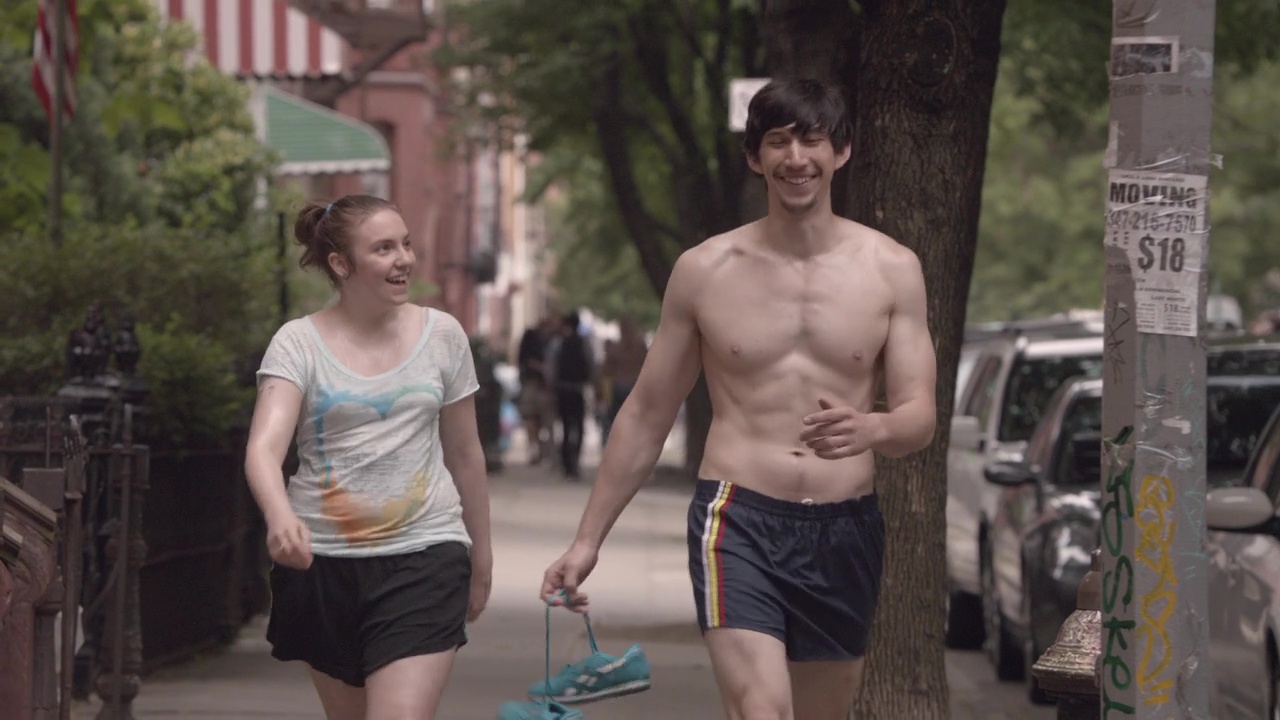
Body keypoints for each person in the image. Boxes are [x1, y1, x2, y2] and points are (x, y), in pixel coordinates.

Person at [538, 78, 937, 719]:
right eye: (778, 142)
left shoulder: (892, 269)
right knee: (761, 709)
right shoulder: (705, 270)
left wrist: (875, 429)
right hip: (737, 516)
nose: (796, 158)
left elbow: (920, 415)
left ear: (841, 151)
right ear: (755, 158)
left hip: (844, 526)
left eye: (812, 140)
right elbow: (646, 413)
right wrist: (587, 541)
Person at [244, 194, 493, 720]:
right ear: (341, 263)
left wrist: (482, 557)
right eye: (383, 248)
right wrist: (279, 515)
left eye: (406, 244)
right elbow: (264, 448)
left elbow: (466, 453)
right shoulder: (298, 344)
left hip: (425, 554)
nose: (404, 259)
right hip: (322, 565)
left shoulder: (443, 336)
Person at [550, 311, 594, 479]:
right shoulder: (584, 342)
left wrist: (551, 385)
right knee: (579, 427)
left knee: (566, 427)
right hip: (578, 389)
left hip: (563, 389)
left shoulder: (558, 342)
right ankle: (574, 460)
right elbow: (591, 364)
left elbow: (551, 366)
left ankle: (567, 462)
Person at [598, 315, 648, 448]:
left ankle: (618, 447)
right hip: (635, 387)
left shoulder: (616, 349)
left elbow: (606, 370)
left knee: (617, 422)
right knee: (634, 423)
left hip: (619, 387)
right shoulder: (640, 347)